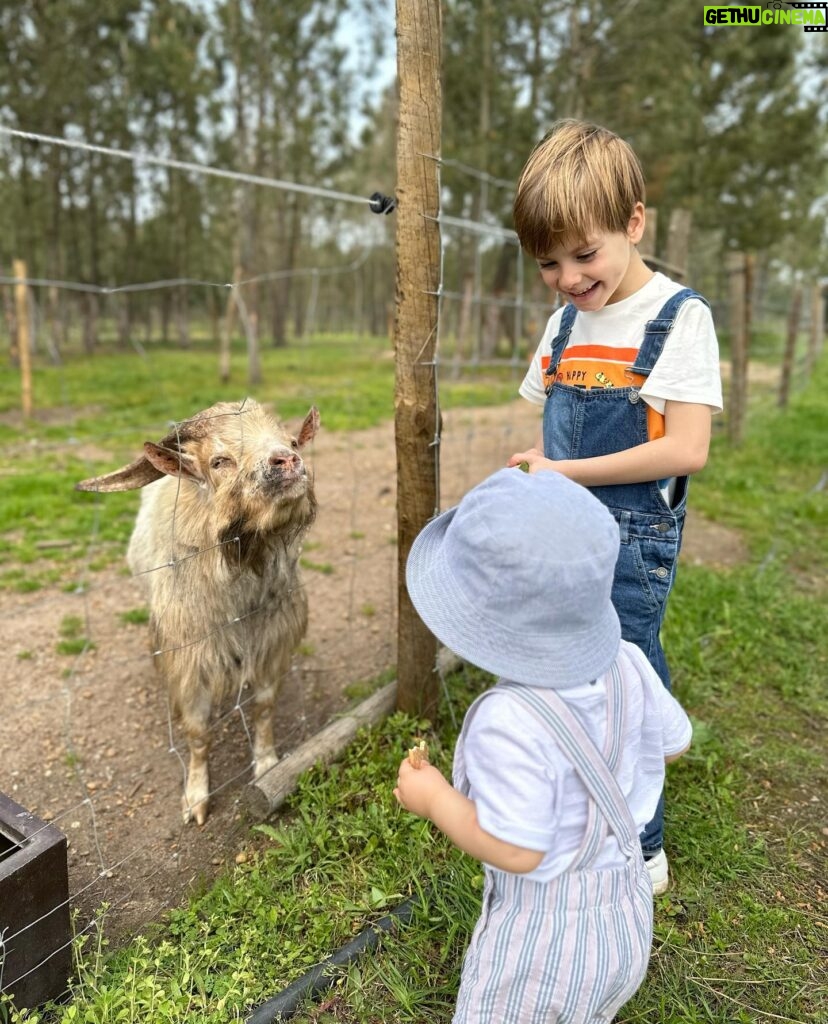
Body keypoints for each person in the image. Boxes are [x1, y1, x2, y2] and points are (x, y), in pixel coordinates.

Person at [506, 120, 722, 893]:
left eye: (585, 253)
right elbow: (549, 421)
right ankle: (574, 802)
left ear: (634, 223)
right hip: (567, 529)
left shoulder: (678, 319)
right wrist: (541, 480)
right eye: (548, 263)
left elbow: (685, 449)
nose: (567, 277)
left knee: (623, 676)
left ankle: (642, 842)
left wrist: (563, 472)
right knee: (563, 664)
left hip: (632, 540)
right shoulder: (565, 324)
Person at [394, 468, 692, 1024]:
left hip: (541, 946)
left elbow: (519, 850)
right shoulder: (628, 659)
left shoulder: (507, 720)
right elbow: (674, 744)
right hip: (626, 914)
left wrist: (432, 797)